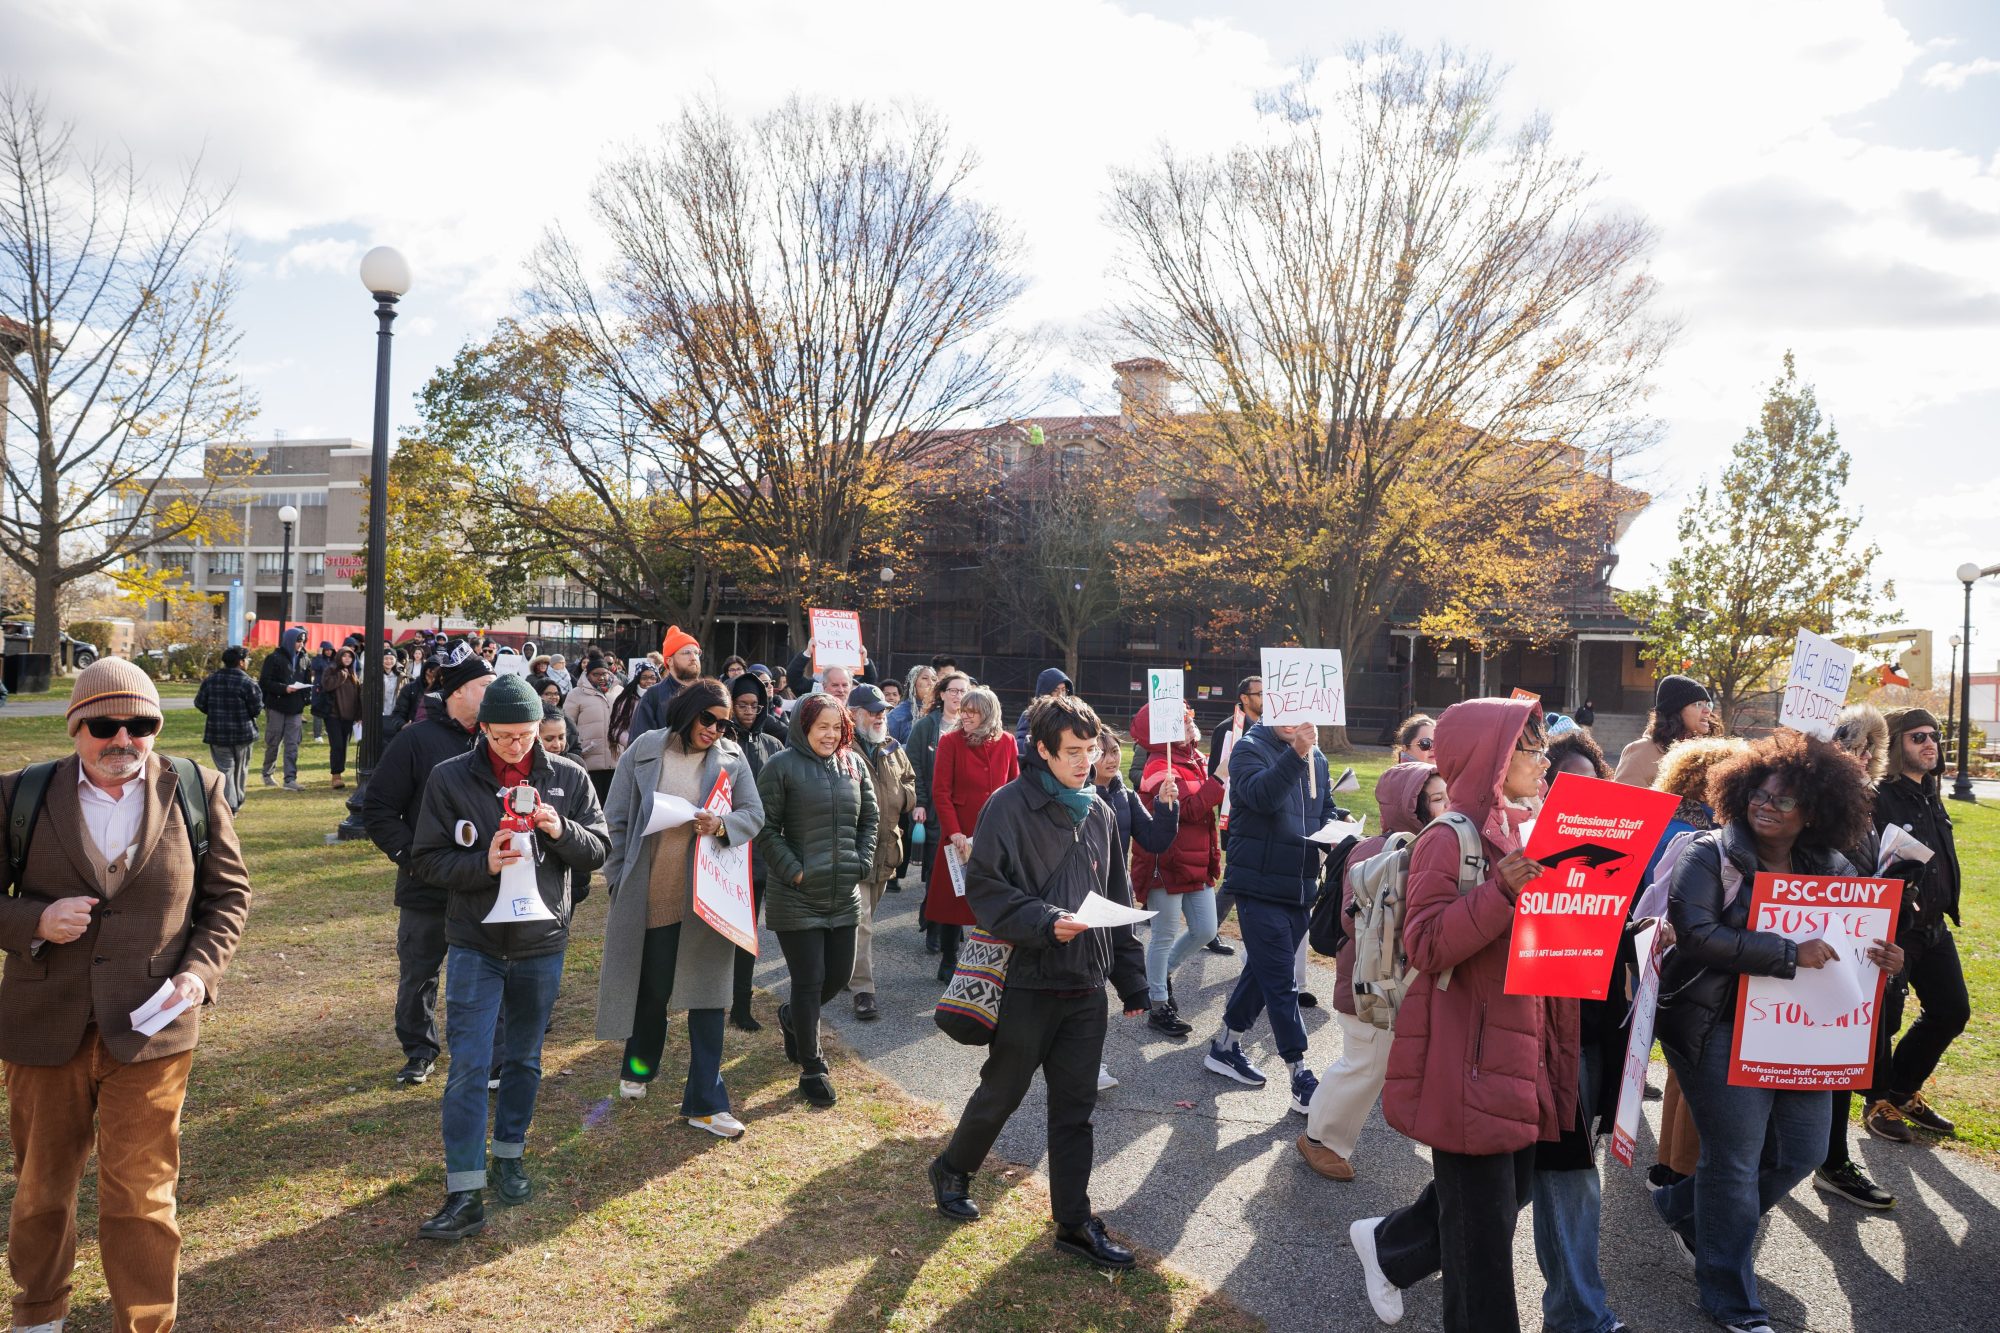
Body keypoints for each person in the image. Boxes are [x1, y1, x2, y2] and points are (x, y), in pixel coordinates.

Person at [0, 661, 251, 1332]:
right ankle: (38, 1313)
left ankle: (143, 1323)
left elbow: (228, 896)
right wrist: (32, 922)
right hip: (41, 1027)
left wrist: (201, 973)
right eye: (105, 724)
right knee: (41, 1187)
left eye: (139, 725)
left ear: (156, 728)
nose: (123, 738)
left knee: (142, 1195)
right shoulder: (20, 795)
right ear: (75, 725)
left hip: (151, 1031)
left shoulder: (196, 790)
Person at [1650, 730, 1894, 1332]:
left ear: (1814, 810)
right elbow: (1699, 934)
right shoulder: (1707, 853)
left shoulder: (1830, 866)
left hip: (1797, 1033)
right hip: (1716, 1028)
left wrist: (1886, 956)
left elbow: (1853, 937)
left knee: (1804, 1151)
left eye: (1785, 799)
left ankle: (1686, 1208)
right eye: (1759, 792)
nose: (1768, 805)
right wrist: (1788, 953)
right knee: (1733, 1163)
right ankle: (1729, 1294)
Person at [1350, 698, 1570, 1333]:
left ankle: (1391, 1246)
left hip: (1522, 1042)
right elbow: (1424, 943)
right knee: (1483, 1251)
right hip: (1467, 1054)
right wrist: (1502, 891)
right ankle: (1392, 1248)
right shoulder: (1449, 837)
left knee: (1507, 1197)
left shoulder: (1527, 827)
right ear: (1494, 757)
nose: (1543, 760)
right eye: (1532, 748)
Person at [927, 694, 1151, 1271]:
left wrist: (1133, 983)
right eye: (1072, 752)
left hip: (1085, 988)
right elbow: (986, 891)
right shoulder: (1007, 806)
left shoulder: (1100, 810)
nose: (1086, 761)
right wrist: (1048, 923)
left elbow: (1118, 897)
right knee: (1002, 1092)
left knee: (1075, 1110)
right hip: (1026, 982)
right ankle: (953, 1167)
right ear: (1043, 751)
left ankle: (1073, 1224)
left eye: (1092, 749)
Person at [408, 673, 608, 1241]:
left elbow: (599, 849)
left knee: (524, 1060)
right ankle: (465, 1190)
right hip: (476, 942)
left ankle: (510, 1156)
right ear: (482, 730)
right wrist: (483, 866)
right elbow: (426, 859)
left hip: (542, 944)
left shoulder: (566, 776)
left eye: (526, 736)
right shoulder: (451, 778)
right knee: (469, 1065)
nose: (517, 747)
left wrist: (558, 827)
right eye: (503, 737)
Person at [594, 679, 764, 1137]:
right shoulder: (646, 749)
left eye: (724, 723)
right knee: (653, 988)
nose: (715, 729)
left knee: (710, 997)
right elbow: (617, 819)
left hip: (709, 897)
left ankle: (706, 1103)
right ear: (688, 711)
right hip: (651, 892)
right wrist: (616, 879)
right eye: (708, 718)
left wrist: (723, 824)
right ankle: (639, 1066)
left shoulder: (732, 757)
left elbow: (754, 814)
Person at [1296, 762, 1444, 1183]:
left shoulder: (1431, 846)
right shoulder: (1378, 851)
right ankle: (1320, 1139)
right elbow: (1352, 922)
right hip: (1372, 981)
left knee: (1374, 1061)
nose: (1447, 806)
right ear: (1408, 806)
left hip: (1394, 981)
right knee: (1365, 1063)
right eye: (1435, 799)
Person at [363, 645, 497, 1086]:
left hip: (485, 880)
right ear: (457, 692)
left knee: (486, 968)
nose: (493, 693)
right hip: (427, 883)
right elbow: (379, 808)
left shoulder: (499, 740)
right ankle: (419, 1051)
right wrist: (413, 857)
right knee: (420, 971)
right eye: (484, 686)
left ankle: (487, 1051)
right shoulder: (416, 740)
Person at [1203, 711, 1336, 1114]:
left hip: (1299, 888)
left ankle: (1225, 1046)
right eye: (1286, 712)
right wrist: (1295, 754)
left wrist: (1339, 825)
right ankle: (1299, 1073)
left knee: (1263, 971)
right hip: (1257, 885)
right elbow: (1261, 796)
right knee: (1281, 981)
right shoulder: (1248, 749)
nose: (1294, 721)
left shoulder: (1318, 757)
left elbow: (1323, 807)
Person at [756, 693, 878, 1107]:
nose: (830, 734)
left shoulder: (854, 764)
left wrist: (861, 862)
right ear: (803, 726)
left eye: (836, 727)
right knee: (809, 982)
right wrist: (795, 870)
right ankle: (813, 1066)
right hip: (796, 896)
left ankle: (793, 1018)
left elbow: (870, 818)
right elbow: (765, 828)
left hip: (844, 893)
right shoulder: (780, 767)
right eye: (821, 726)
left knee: (839, 977)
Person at [1861, 707, 1969, 1147]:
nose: (1930, 744)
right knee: (1883, 1019)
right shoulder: (1877, 796)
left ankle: (1902, 1091)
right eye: (1918, 737)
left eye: (1934, 736)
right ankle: (1876, 1101)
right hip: (1895, 927)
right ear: (1895, 743)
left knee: (1952, 1011)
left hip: (1934, 926)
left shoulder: (1931, 792)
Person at [1816, 704, 1899, 1209]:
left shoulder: (1866, 803)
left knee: (1844, 1057)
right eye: (1853, 744)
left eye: (1871, 747)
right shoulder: (1819, 802)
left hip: (1857, 943)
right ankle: (1818, 1157)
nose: (1864, 755)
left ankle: (1831, 1158)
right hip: (1816, 944)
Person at [1128, 702, 1222, 1038]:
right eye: (1181, 719)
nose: (1189, 722)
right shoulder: (1158, 764)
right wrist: (1220, 778)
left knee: (1206, 930)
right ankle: (1158, 1004)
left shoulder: (1193, 758)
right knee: (1164, 935)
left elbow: (1203, 812)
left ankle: (1159, 975)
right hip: (1165, 863)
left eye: (1189, 717)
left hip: (1195, 861)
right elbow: (1191, 811)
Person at [1091, 726, 1179, 1081]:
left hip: (1117, 898)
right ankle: (1088, 1063)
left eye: (1116, 751)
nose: (1112, 758)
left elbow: (1155, 839)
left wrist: (1166, 806)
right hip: (1084, 898)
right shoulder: (1078, 794)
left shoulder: (1125, 796)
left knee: (1111, 968)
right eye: (1105, 751)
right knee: (1091, 981)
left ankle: (1087, 1059)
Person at [923, 685, 1018, 980]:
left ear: (988, 714)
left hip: (995, 834)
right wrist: (953, 832)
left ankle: (984, 959)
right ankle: (949, 958)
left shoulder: (1008, 742)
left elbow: (1014, 787)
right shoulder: (951, 742)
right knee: (955, 896)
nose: (964, 716)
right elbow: (941, 792)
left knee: (992, 896)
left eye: (972, 712)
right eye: (963, 710)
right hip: (960, 833)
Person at [847, 684, 915, 1022]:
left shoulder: (893, 747)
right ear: (854, 713)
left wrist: (902, 797)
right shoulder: (842, 748)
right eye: (873, 710)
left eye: (883, 711)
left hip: (888, 850)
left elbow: (911, 782)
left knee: (865, 919)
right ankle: (863, 990)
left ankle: (845, 968)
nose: (880, 716)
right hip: (854, 851)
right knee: (862, 924)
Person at [724, 671, 783, 1031]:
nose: (748, 711)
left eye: (754, 705)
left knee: (747, 932)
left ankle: (740, 1005)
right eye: (742, 704)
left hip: (757, 853)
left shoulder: (772, 745)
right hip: (720, 846)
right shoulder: (719, 741)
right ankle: (709, 995)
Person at [1204, 674, 1264, 958]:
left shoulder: (1268, 728)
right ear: (1244, 697)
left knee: (1240, 875)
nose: (1266, 698)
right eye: (1260, 693)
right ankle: (1209, 929)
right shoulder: (1228, 729)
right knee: (1237, 875)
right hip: (1235, 815)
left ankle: (1210, 928)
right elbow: (1216, 774)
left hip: (1260, 812)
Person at [909, 670, 971, 945]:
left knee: (962, 870)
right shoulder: (926, 726)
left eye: (964, 691)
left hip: (964, 812)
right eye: (954, 690)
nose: (959, 696)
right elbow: (914, 768)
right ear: (942, 694)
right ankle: (933, 926)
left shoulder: (972, 728)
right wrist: (920, 802)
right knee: (937, 871)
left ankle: (953, 928)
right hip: (934, 812)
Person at [1613, 674, 1715, 787]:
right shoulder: (1641, 752)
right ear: (1675, 710)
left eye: (1708, 704)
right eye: (1698, 704)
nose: (1707, 711)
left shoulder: (1709, 752)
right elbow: (1623, 802)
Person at [195, 644, 262, 812]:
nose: (247, 662)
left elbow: (200, 703)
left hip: (218, 733)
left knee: (225, 770)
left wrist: (215, 712)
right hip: (243, 733)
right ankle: (236, 801)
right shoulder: (247, 682)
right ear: (240, 662)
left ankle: (230, 804)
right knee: (241, 770)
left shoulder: (211, 680)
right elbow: (256, 708)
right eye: (246, 659)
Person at [258, 626, 311, 789]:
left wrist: (305, 698)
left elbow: (307, 680)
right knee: (274, 741)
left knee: (292, 743)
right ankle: (267, 773)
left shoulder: (306, 659)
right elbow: (265, 682)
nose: (301, 644)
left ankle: (290, 779)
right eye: (298, 641)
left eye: (303, 641)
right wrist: (284, 688)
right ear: (289, 640)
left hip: (295, 708)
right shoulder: (274, 658)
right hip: (276, 706)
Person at [564, 657, 620, 802]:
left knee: (612, 802)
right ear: (587, 675)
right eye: (596, 674)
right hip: (589, 757)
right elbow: (568, 725)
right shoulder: (576, 694)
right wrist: (577, 749)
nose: (601, 677)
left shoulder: (619, 691)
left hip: (616, 758)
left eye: (604, 673)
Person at [632, 626, 704, 738]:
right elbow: (640, 745)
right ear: (669, 661)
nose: (693, 657)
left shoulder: (709, 692)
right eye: (686, 652)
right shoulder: (653, 696)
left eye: (696, 652)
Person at [320, 645, 363, 790]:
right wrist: (341, 675)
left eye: (350, 656)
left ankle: (340, 772)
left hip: (349, 717)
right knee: (337, 745)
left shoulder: (353, 674)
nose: (347, 659)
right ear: (339, 657)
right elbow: (327, 686)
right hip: (333, 715)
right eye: (344, 656)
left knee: (343, 746)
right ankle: (336, 775)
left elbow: (357, 697)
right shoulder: (331, 670)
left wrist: (358, 715)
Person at [1013, 666, 1072, 756]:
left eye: (1063, 690)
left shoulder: (1071, 714)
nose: (1060, 695)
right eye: (1055, 690)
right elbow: (1020, 744)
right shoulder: (1031, 714)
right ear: (1045, 691)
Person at [609, 664, 659, 754]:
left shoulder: (665, 699)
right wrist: (632, 743)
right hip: (634, 752)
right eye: (644, 678)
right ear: (637, 679)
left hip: (661, 751)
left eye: (653, 678)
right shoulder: (627, 701)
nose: (649, 681)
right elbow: (616, 729)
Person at [888, 665, 935, 744]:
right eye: (925, 678)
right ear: (913, 683)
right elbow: (889, 748)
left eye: (934, 679)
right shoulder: (897, 715)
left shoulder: (941, 711)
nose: (931, 683)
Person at [307, 640, 337, 742]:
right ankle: (317, 735)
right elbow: (317, 667)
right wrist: (319, 655)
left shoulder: (334, 661)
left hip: (330, 689)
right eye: (326, 650)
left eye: (330, 650)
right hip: (319, 689)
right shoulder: (318, 659)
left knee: (330, 712)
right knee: (318, 712)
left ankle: (329, 732)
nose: (328, 652)